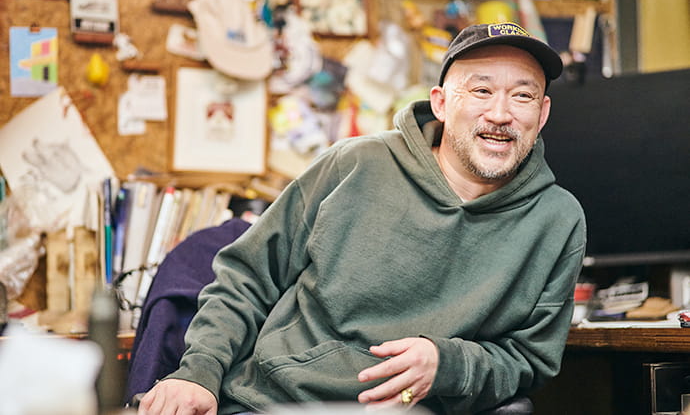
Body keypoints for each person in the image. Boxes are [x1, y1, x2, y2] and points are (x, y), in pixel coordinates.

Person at [137, 22, 586, 415]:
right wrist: (197, 373)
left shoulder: (557, 220)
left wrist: (449, 365)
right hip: (273, 402)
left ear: (542, 113)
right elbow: (247, 279)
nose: (501, 114)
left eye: (522, 95)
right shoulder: (354, 164)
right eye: (481, 91)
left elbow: (529, 359)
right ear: (441, 103)